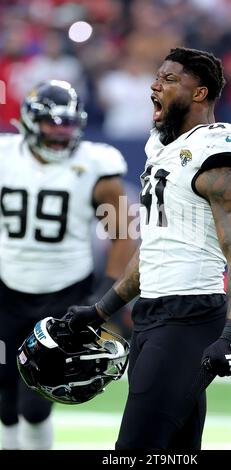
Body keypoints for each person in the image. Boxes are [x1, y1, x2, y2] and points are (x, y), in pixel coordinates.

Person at [64, 47, 231, 450]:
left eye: (170, 80)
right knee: (175, 449)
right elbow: (154, 248)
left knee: (134, 451)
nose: (155, 85)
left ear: (201, 94)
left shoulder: (221, 146)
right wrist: (100, 310)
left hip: (190, 317)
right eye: (157, 77)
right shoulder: (162, 149)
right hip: (152, 314)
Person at [0, 80, 135, 450]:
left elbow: (123, 231)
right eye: (52, 123)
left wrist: (104, 294)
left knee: (37, 397)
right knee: (4, 398)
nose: (61, 132)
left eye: (68, 124)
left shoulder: (96, 165)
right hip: (6, 288)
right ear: (29, 121)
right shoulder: (5, 155)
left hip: (65, 291)